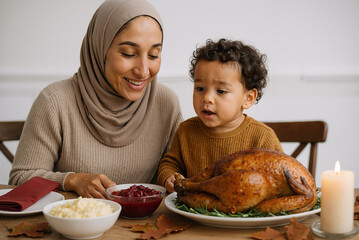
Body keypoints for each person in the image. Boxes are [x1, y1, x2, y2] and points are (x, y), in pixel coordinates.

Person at [9, 0, 182, 199]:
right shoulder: (55, 101)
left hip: (144, 225)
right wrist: (71, 180)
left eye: (153, 55)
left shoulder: (166, 103)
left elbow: (175, 173)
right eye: (128, 53)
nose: (143, 70)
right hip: (75, 227)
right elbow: (19, 179)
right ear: (100, 47)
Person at [157, 38, 283, 193]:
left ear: (248, 98)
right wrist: (169, 177)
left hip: (244, 215)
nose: (207, 98)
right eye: (200, 88)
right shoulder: (186, 131)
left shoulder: (262, 137)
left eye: (221, 91)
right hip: (193, 213)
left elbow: (281, 177)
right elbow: (170, 164)